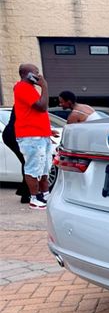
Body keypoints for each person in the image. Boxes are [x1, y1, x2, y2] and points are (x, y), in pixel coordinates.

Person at [13, 63, 54, 210]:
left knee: (44, 168)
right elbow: (42, 107)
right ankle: (34, 198)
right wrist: (45, 86)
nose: (39, 75)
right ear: (28, 74)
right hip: (31, 136)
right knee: (33, 168)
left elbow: (38, 113)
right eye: (36, 72)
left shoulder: (30, 89)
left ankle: (45, 194)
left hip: (41, 134)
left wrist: (48, 131)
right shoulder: (22, 88)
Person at [1, 107, 30, 203]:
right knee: (27, 162)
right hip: (13, 134)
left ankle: (25, 192)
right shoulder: (23, 104)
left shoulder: (23, 104)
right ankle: (25, 194)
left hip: (12, 134)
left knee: (26, 162)